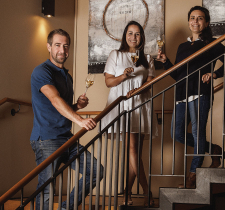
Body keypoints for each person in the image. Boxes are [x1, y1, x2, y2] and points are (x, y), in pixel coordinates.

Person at [156, 6, 225, 188]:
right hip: (181, 95)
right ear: (188, 21)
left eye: (200, 18)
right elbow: (178, 74)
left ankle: (193, 176)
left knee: (197, 133)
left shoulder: (211, 43)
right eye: (192, 17)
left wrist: (214, 74)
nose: (195, 21)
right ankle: (213, 150)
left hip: (200, 93)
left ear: (206, 23)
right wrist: (166, 62)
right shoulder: (183, 46)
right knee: (176, 134)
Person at [30, 29, 103, 210]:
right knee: (47, 188)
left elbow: (63, 108)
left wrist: (77, 106)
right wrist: (80, 120)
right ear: (49, 47)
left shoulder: (66, 76)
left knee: (95, 171)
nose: (62, 50)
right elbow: (54, 100)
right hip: (46, 138)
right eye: (57, 45)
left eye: (65, 46)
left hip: (66, 137)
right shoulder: (41, 71)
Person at [101, 21, 157, 206]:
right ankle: (147, 191)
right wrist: (123, 76)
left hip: (140, 105)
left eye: (138, 34)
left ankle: (126, 194)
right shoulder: (115, 55)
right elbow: (109, 83)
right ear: (125, 35)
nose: (133, 37)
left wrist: (138, 91)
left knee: (136, 153)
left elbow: (149, 83)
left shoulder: (147, 58)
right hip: (122, 106)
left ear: (142, 37)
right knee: (133, 150)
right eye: (130, 33)